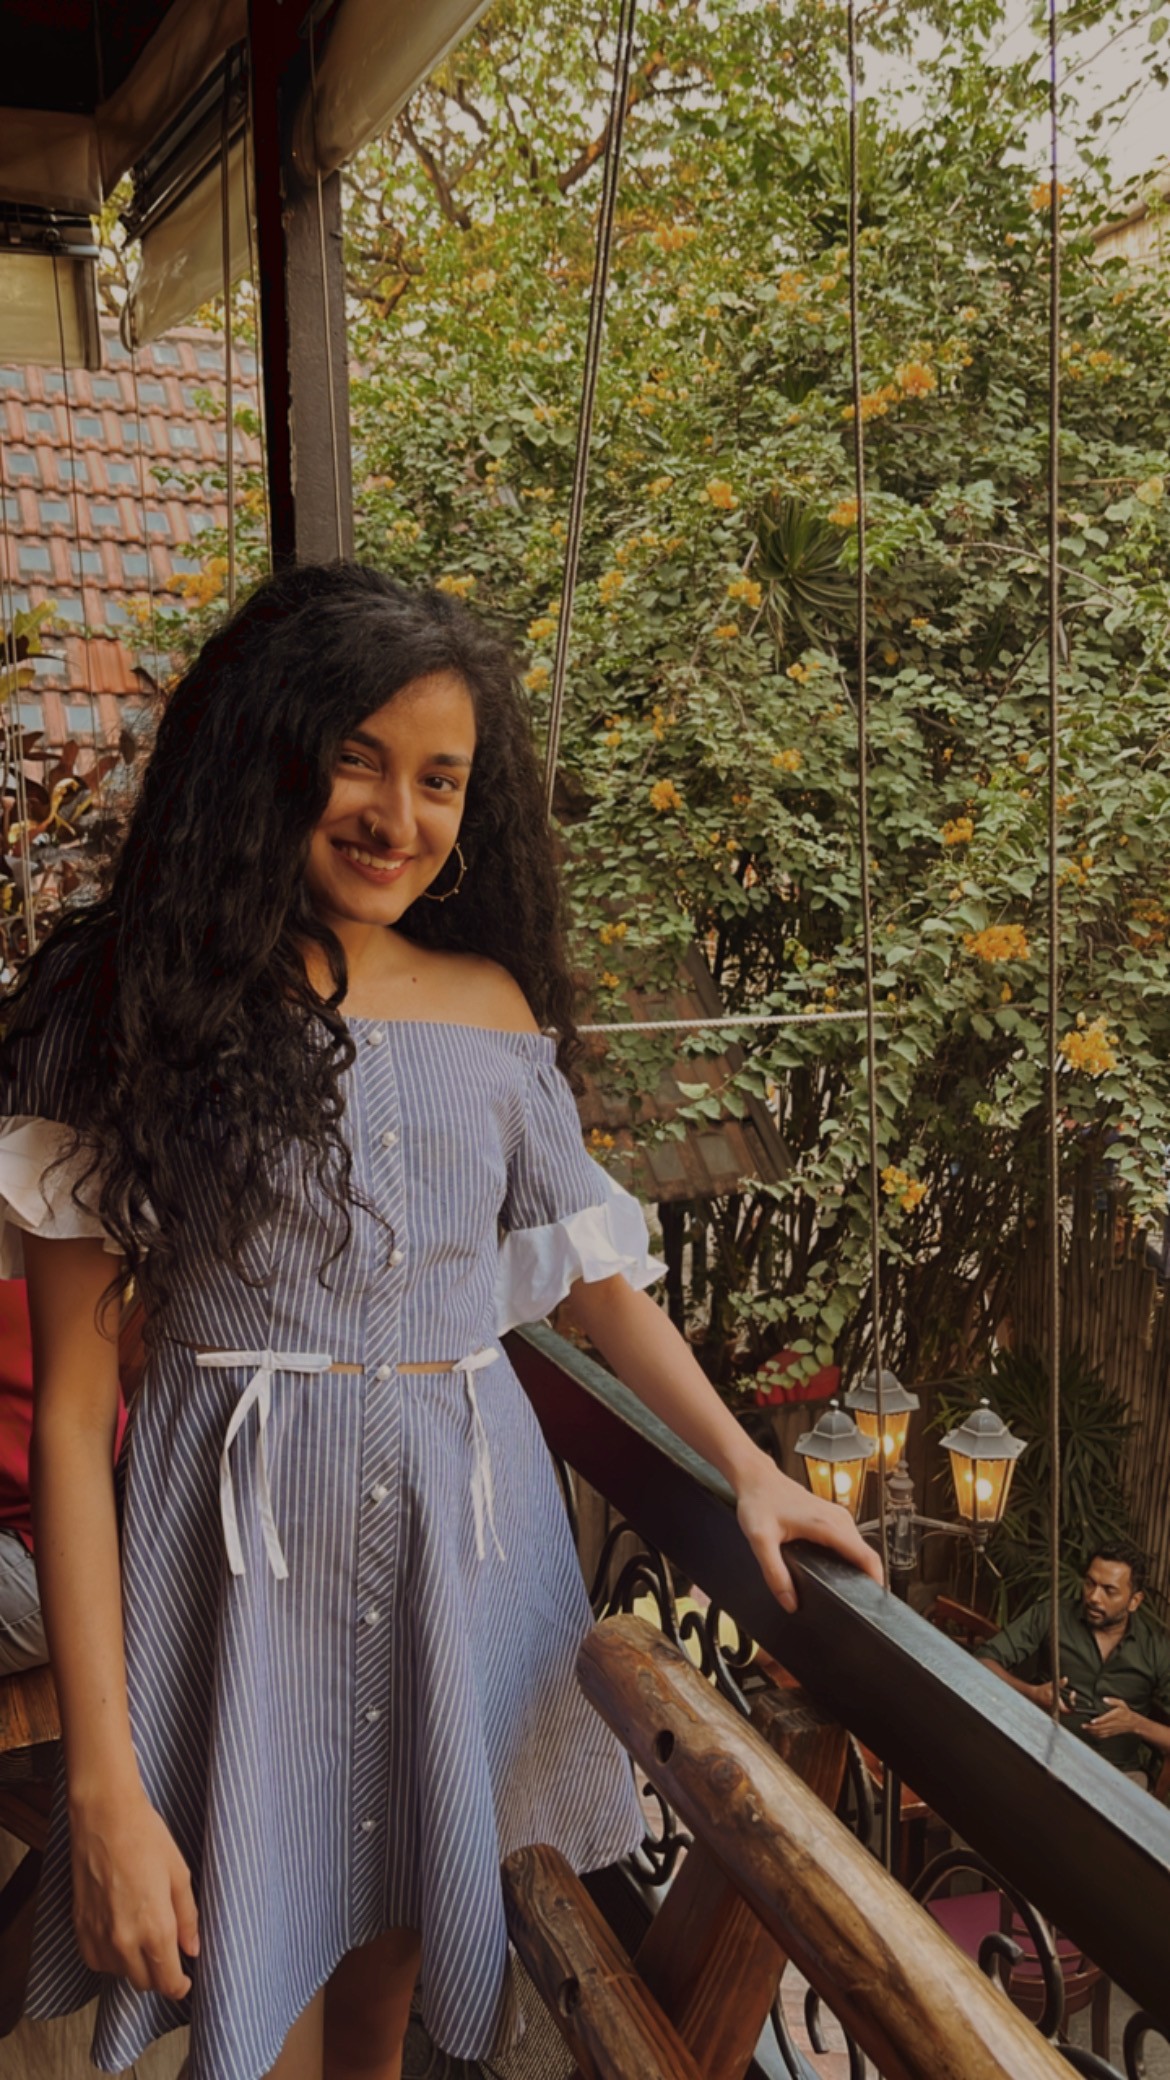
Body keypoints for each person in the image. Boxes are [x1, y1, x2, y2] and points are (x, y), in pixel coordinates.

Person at [0, 564, 882, 2080]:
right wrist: (99, 1784)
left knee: (409, 1911)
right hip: (225, 1548)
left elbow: (596, 1279)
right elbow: (78, 1422)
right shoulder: (123, 1004)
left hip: (462, 1546)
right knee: (227, 1915)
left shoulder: (489, 1006)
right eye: (353, 757)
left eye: (439, 780)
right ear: (256, 753)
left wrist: (744, 1464)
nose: (395, 815)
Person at [978, 1539, 1170, 1787]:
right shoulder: (1052, 1615)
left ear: (1134, 1601)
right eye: (1090, 1583)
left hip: (1117, 1777)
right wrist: (1033, 1693)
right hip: (1043, 1756)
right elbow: (983, 1661)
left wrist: (1135, 1724)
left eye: (1109, 1590)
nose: (1093, 1597)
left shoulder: (1155, 1649)